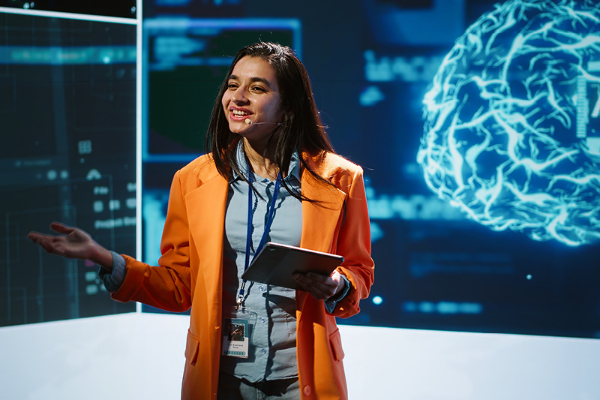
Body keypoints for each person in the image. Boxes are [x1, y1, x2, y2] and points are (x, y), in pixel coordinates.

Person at [28, 42, 374, 400]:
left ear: (288, 108)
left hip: (303, 377)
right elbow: (179, 286)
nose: (237, 98)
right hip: (219, 376)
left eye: (257, 88)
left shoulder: (340, 179)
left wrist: (339, 285)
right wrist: (104, 258)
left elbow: (360, 270)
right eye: (232, 84)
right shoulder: (193, 178)